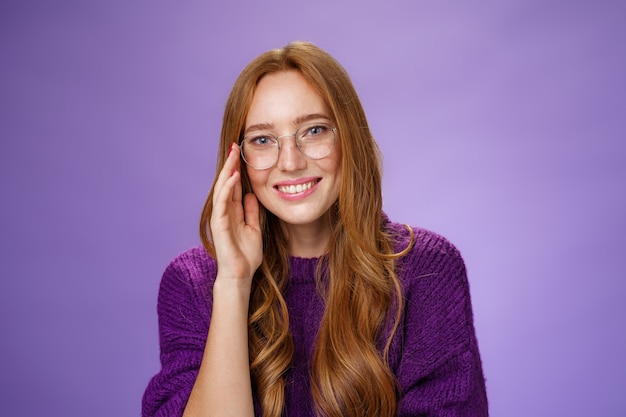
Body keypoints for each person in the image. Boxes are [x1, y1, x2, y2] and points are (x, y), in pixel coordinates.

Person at [142, 41, 488, 417]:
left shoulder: (427, 270)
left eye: (314, 130)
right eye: (262, 139)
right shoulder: (194, 284)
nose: (290, 162)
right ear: (237, 160)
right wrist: (233, 283)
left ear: (349, 137)